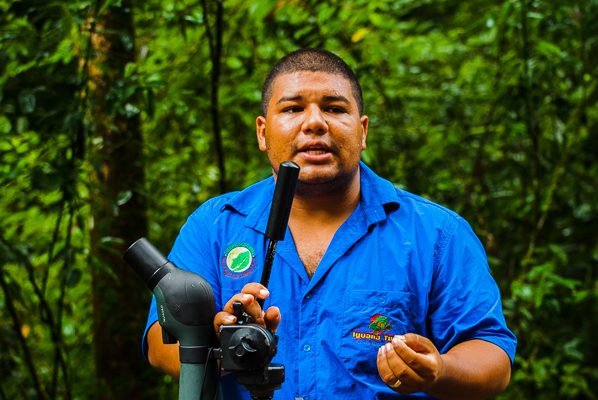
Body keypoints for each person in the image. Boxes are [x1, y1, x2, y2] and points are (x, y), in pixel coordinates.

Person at [142, 48, 516, 399]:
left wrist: (440, 370)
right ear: (262, 132)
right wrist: (226, 343)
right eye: (292, 109)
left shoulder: (436, 233)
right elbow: (162, 347)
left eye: (335, 108)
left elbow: (493, 357)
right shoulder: (214, 226)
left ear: (363, 130)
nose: (315, 123)